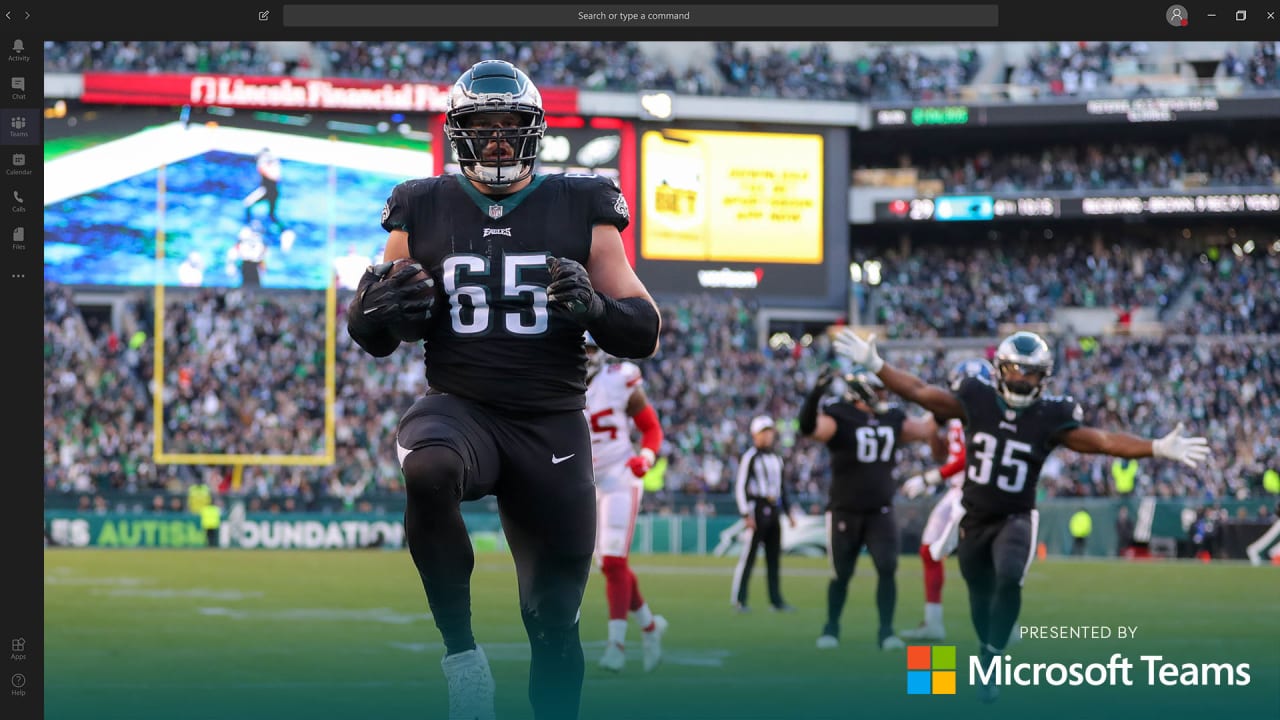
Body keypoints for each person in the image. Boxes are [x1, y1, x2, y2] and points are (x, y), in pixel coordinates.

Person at [345, 59, 659, 720]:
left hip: (551, 424)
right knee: (426, 467)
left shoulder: (582, 200)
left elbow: (643, 328)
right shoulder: (421, 204)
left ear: (533, 131)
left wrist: (596, 310)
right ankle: (463, 658)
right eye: (480, 126)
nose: (494, 139)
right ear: (457, 133)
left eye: (508, 125)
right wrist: (366, 313)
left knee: (551, 621)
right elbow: (379, 331)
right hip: (462, 407)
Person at [832, 328, 1210, 703]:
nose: (1021, 378)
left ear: (1043, 378)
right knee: (979, 597)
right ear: (999, 369)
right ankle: (987, 652)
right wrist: (877, 365)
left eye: (1030, 372)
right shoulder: (976, 399)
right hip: (974, 517)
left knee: (1010, 578)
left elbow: (1103, 442)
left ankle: (992, 661)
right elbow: (918, 392)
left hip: (1016, 517)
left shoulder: (1050, 416)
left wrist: (1156, 447)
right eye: (1015, 369)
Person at [799, 366, 938, 651]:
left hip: (880, 510)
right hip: (845, 509)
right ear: (863, 390)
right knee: (841, 573)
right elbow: (809, 428)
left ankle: (886, 632)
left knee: (888, 568)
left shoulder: (891, 417)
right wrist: (815, 396)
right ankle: (831, 628)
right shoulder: (841, 414)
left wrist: (943, 401)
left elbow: (926, 429)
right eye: (879, 389)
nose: (885, 395)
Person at [582, 332, 669, 674]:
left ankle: (616, 644)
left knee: (615, 562)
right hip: (585, 482)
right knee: (608, 564)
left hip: (619, 475)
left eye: (589, 349)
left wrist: (646, 457)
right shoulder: (558, 381)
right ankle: (649, 628)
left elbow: (651, 428)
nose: (584, 355)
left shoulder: (618, 380)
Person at [899, 358, 995, 642]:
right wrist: (932, 436)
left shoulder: (985, 415)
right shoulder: (955, 412)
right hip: (956, 490)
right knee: (929, 552)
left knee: (978, 560)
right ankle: (933, 623)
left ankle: (1002, 621)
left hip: (976, 492)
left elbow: (971, 457)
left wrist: (929, 478)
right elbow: (947, 453)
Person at [731, 415, 796, 614]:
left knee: (774, 558)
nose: (767, 436)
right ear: (754, 435)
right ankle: (740, 599)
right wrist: (746, 514)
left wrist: (788, 511)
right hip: (757, 509)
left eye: (769, 432)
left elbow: (782, 487)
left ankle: (776, 600)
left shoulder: (777, 458)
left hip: (774, 509)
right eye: (763, 432)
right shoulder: (750, 457)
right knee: (749, 557)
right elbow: (740, 487)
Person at [243, 147, 282, 230]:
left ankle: (281, 229)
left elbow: (275, 177)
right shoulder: (265, 164)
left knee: (271, 215)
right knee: (248, 203)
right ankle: (249, 225)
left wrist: (264, 166)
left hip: (271, 191)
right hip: (265, 189)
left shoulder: (272, 165)